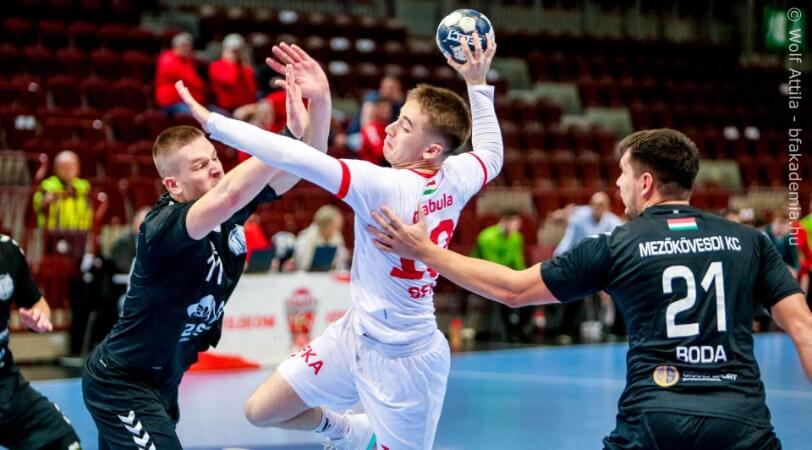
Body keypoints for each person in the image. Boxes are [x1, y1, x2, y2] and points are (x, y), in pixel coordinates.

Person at [369, 128, 812, 450]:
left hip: (654, 420)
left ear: (645, 183)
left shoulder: (617, 244)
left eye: (622, 174)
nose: (617, 184)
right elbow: (802, 327)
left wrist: (426, 252)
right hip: (742, 424)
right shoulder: (749, 241)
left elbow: (514, 290)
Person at [175, 35, 501, 450]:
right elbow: (492, 153)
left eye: (404, 126)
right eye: (397, 118)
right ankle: (350, 431)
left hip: (407, 359)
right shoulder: (458, 174)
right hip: (354, 336)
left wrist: (215, 123)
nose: (389, 128)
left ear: (432, 149)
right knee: (262, 410)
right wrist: (476, 82)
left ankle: (363, 434)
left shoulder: (381, 184)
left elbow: (293, 157)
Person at [81, 42, 332, 449]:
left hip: (163, 383)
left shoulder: (226, 210)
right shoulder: (165, 226)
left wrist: (319, 101)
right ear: (173, 185)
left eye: (214, 157)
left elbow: (308, 163)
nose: (215, 168)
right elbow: (231, 193)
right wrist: (286, 135)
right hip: (121, 383)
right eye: (199, 166)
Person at [0, 234, 82, 450]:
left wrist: (38, 318)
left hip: (8, 384)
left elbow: (37, 303)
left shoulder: (8, 251)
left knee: (67, 443)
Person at [553, 192, 624, 343]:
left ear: (607, 207)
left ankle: (620, 330)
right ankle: (565, 330)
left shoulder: (614, 223)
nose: (597, 208)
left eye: (601, 205)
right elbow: (567, 242)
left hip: (605, 269)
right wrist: (559, 260)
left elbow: (618, 252)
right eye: (594, 204)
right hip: (581, 266)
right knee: (572, 288)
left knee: (620, 287)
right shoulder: (578, 218)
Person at [470, 209, 528, 342]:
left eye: (518, 223)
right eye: (514, 223)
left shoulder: (516, 238)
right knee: (505, 294)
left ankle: (519, 330)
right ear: (504, 222)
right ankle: (509, 332)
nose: (517, 226)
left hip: (505, 277)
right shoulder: (487, 237)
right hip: (481, 277)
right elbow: (491, 264)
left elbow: (518, 262)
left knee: (530, 292)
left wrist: (526, 279)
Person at [32, 150, 93, 231]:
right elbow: (37, 204)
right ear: (55, 169)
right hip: (52, 232)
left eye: (71, 166)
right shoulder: (48, 184)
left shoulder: (84, 185)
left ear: (78, 169)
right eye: (63, 167)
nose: (67, 170)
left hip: (80, 231)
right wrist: (46, 201)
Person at [155, 32, 206, 116]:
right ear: (175, 46)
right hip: (171, 102)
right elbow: (190, 80)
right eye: (184, 45)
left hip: (188, 101)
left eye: (190, 46)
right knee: (198, 116)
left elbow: (196, 82)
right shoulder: (167, 58)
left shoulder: (188, 61)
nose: (188, 48)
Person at [208, 33, 258, 113]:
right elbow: (230, 81)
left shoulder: (244, 67)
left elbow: (252, 90)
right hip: (226, 109)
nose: (236, 54)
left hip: (246, 107)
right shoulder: (216, 66)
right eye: (234, 51)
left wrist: (247, 67)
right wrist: (232, 63)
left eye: (238, 51)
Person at [294, 204, 349, 272]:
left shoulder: (337, 235)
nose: (339, 227)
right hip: (308, 274)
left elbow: (342, 259)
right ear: (326, 224)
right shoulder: (305, 236)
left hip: (329, 274)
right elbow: (302, 264)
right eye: (335, 225)